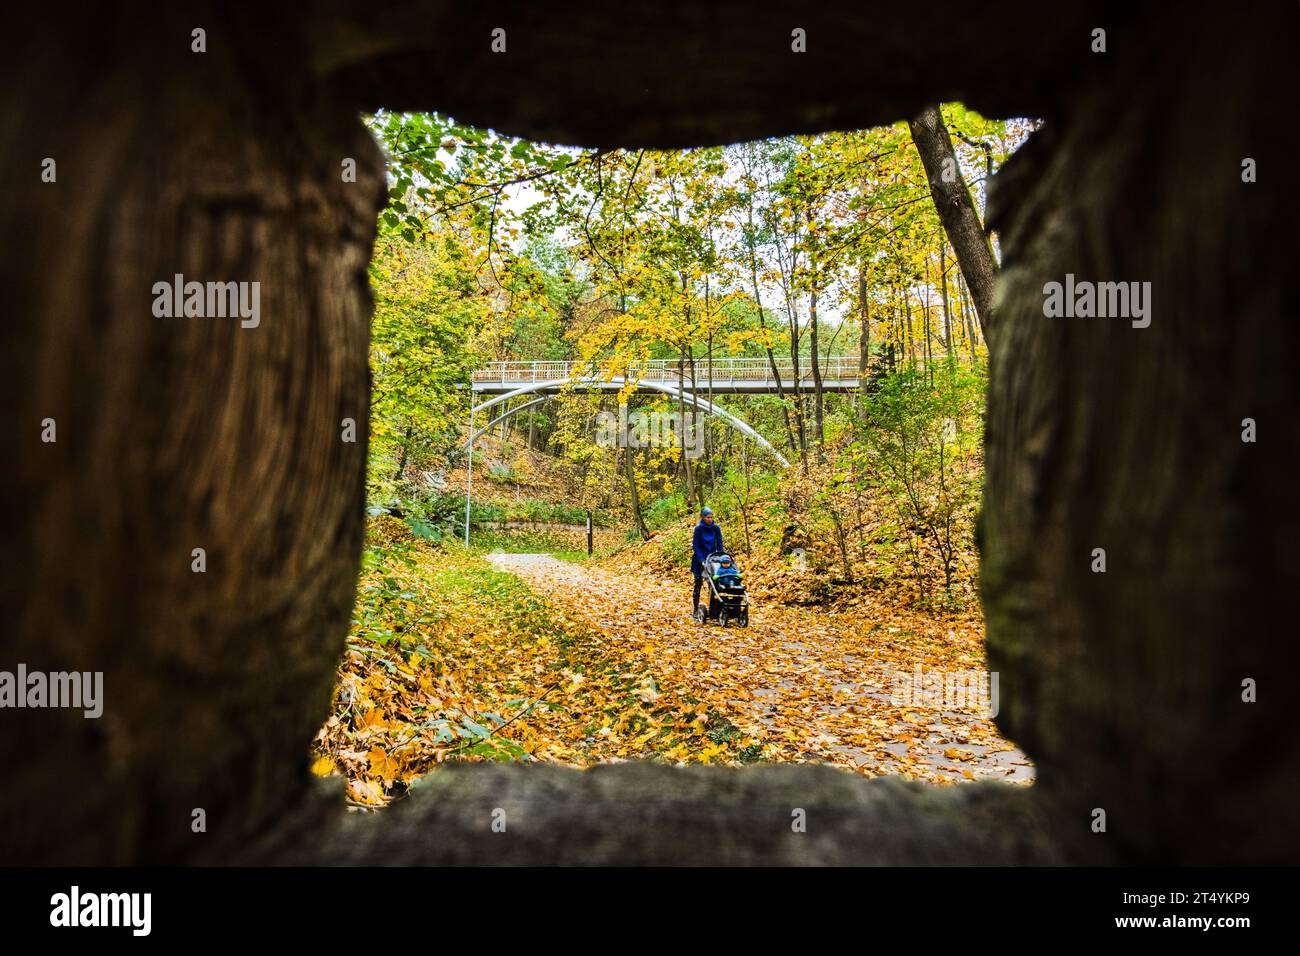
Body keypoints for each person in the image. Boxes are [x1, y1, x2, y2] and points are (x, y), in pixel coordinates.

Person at [691, 506, 724, 615]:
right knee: (698, 583)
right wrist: (701, 559)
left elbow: (719, 544)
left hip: (712, 559)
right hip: (699, 559)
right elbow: (695, 545)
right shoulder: (698, 529)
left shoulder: (716, 528)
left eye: (711, 517)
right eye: (707, 517)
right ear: (703, 518)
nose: (710, 519)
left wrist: (720, 556)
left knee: (714, 584)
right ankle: (695, 609)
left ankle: (713, 608)